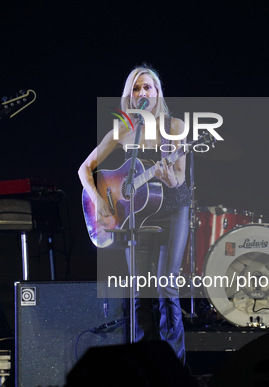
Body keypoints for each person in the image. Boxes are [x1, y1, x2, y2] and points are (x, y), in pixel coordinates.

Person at [78, 65, 190, 363]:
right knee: (141, 291)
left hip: (173, 208)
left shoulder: (175, 127)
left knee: (167, 287)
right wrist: (99, 201)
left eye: (148, 88)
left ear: (157, 93)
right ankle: (146, 364)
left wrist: (168, 176)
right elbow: (84, 169)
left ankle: (173, 366)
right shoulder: (123, 129)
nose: (143, 93)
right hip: (137, 215)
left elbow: (178, 176)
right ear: (130, 95)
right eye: (137, 88)